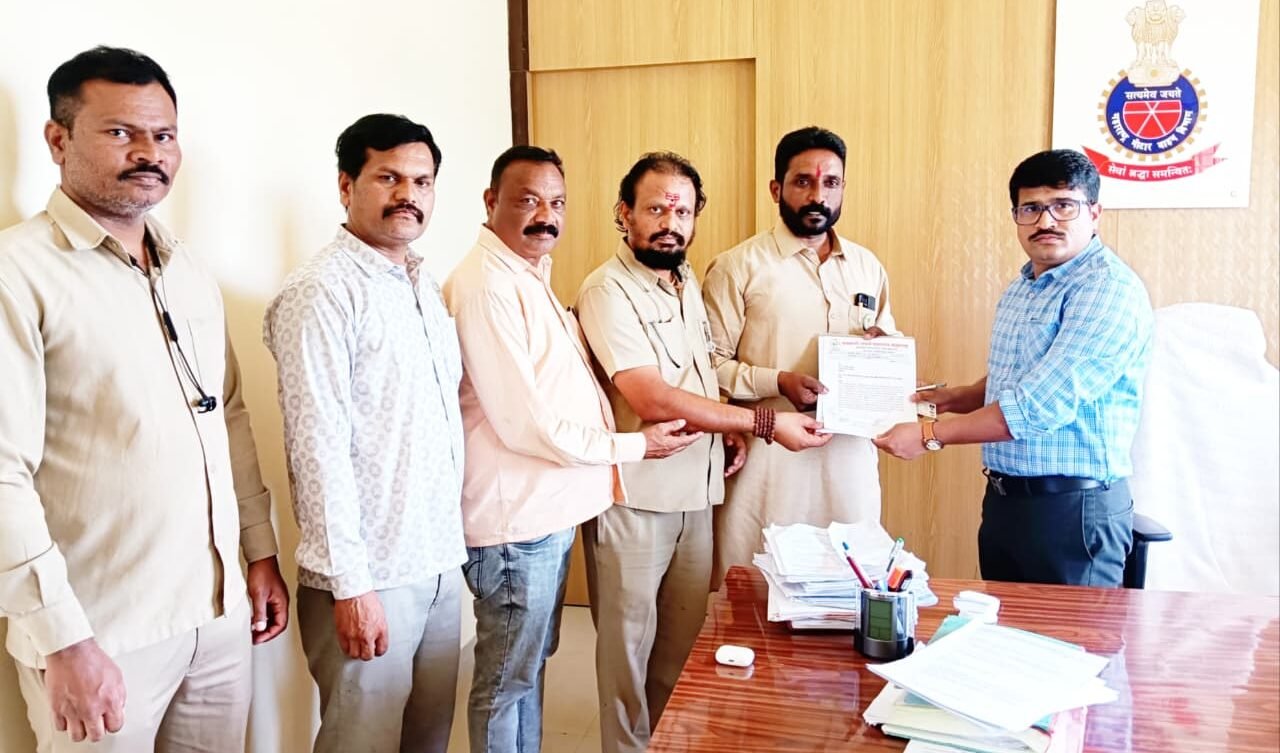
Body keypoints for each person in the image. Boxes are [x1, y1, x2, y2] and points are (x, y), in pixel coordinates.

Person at [0, 46, 288, 751]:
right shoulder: (18, 273)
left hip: (219, 618)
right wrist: (63, 639)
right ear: (58, 139)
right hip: (101, 632)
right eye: (120, 132)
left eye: (164, 135)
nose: (148, 153)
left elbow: (228, 416)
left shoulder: (187, 269)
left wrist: (258, 551)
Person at [443, 146, 699, 753]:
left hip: (545, 514)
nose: (546, 216)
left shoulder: (528, 275)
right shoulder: (487, 287)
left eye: (556, 202)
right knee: (507, 681)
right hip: (516, 523)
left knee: (526, 669)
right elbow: (528, 425)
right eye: (528, 200)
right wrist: (634, 445)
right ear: (491, 202)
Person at [574, 151, 832, 753]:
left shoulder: (685, 280)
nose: (671, 223)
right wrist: (764, 422)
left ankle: (669, 743)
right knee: (627, 652)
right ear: (624, 213)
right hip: (637, 499)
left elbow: (700, 372)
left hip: (697, 492)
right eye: (656, 209)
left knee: (681, 646)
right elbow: (652, 396)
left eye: (683, 212)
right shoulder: (607, 290)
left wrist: (735, 419)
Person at [263, 114, 464, 753]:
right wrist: (352, 587)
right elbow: (316, 448)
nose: (409, 194)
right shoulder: (321, 291)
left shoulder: (421, 284)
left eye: (423, 182)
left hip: (437, 560)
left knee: (428, 740)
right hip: (371, 576)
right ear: (346, 185)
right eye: (389, 178)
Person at [874, 149, 1153, 587]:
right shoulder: (1025, 285)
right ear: (1016, 217)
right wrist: (956, 397)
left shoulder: (1107, 290)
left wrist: (929, 434)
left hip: (1072, 511)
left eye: (1063, 206)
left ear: (1095, 213)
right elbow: (1024, 376)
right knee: (1002, 629)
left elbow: (1034, 406)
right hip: (1007, 503)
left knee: (1067, 633)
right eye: (1031, 208)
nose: (1046, 221)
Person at [701, 126, 897, 587]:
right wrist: (778, 381)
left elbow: (888, 343)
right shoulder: (737, 266)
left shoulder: (867, 266)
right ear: (777, 189)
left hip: (848, 461)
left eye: (831, 183)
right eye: (803, 182)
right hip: (767, 461)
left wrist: (882, 351)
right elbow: (709, 368)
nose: (817, 196)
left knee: (850, 584)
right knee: (756, 587)